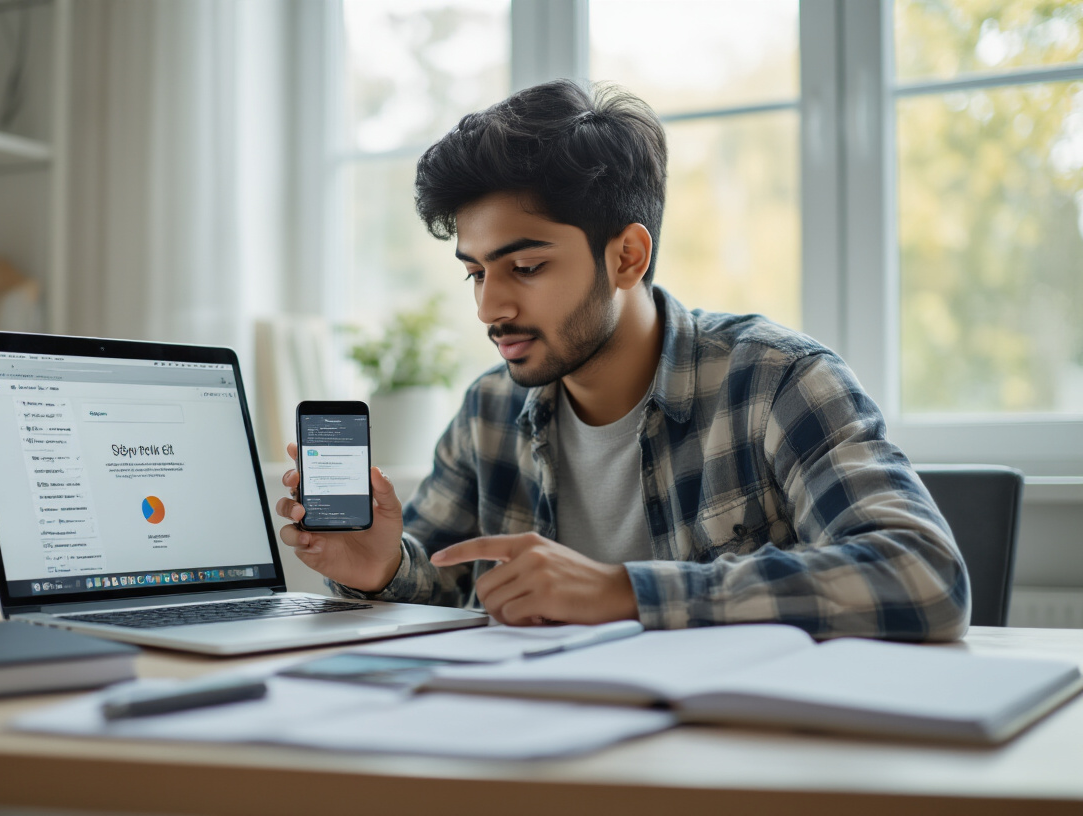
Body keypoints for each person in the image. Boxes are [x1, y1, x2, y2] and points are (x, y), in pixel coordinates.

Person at [275, 79, 969, 640]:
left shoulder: (777, 383)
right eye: (476, 273)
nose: (489, 308)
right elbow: (443, 588)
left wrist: (623, 592)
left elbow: (923, 575)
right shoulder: (489, 410)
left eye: (524, 266)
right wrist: (381, 568)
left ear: (627, 256)